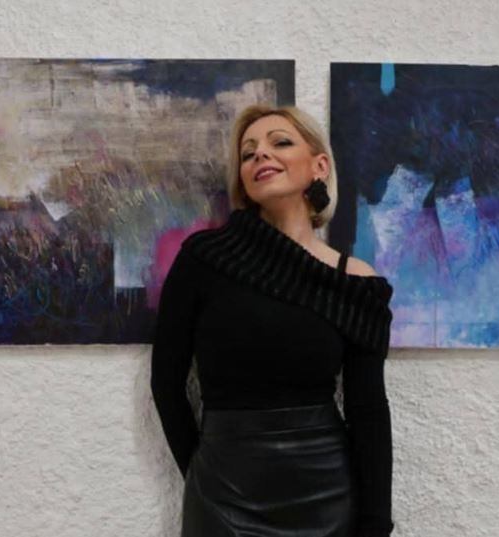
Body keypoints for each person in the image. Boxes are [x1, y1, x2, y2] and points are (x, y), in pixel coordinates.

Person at [150, 104, 395, 536]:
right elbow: (166, 384)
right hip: (221, 494)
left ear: (319, 166)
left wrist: (374, 526)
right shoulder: (205, 259)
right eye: (248, 153)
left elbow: (368, 411)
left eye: (280, 142)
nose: (260, 155)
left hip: (326, 495)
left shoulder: (355, 282)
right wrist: (203, 476)